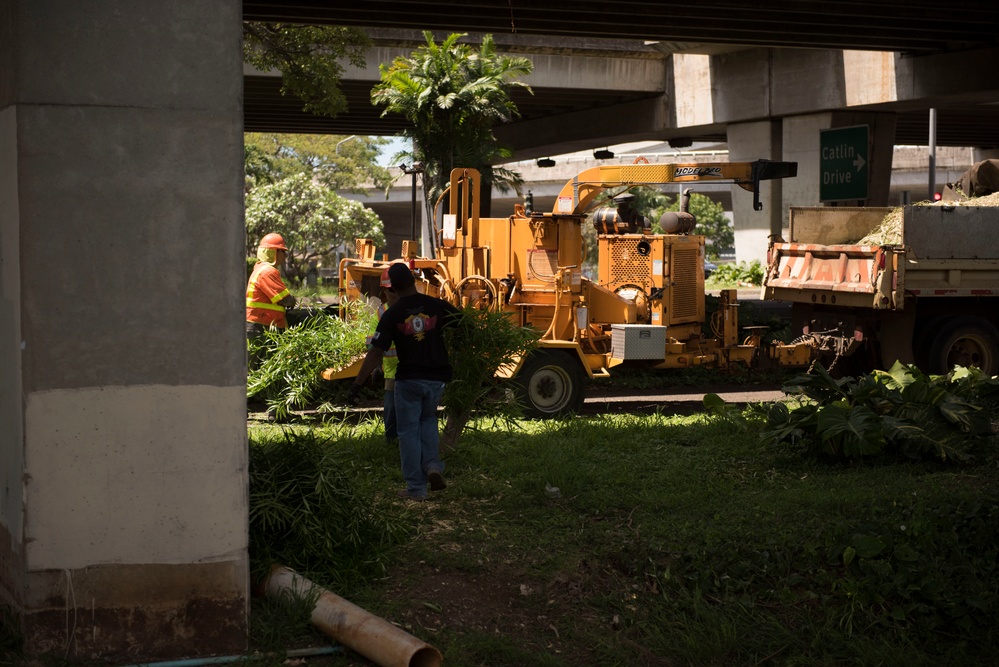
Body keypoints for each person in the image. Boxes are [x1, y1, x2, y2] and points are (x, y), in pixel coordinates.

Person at [349, 263, 462, 501]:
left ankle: (416, 489)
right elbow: (465, 325)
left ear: (393, 289)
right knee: (428, 420)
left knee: (409, 432)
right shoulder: (436, 306)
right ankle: (433, 466)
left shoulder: (392, 314)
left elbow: (375, 353)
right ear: (412, 281)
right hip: (436, 380)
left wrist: (357, 384)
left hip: (409, 380)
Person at [246, 232, 296, 367]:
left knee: (257, 369)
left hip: (259, 326)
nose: (285, 257)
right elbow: (284, 299)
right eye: (283, 252)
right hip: (260, 327)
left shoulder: (260, 269)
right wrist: (293, 300)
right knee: (255, 370)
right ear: (273, 252)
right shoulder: (268, 271)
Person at [368, 269, 399, 444]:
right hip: (392, 372)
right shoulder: (380, 314)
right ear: (384, 291)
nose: (393, 293)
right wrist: (377, 366)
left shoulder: (415, 310)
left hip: (413, 371)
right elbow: (373, 346)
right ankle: (392, 441)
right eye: (390, 290)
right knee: (391, 409)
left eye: (396, 289)